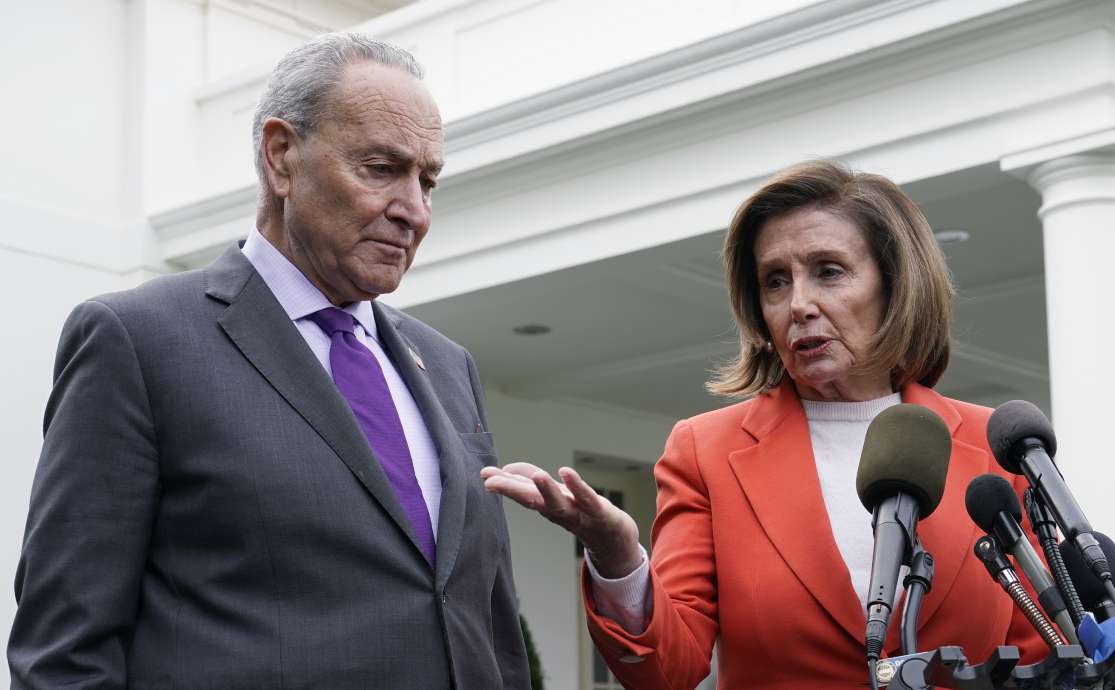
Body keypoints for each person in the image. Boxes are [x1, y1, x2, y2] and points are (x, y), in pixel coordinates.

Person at [10, 33, 529, 689]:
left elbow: (487, 626)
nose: (414, 212)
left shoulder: (448, 366)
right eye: (380, 169)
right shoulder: (139, 342)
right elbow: (63, 654)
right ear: (282, 156)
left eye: (427, 181)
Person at [482, 160, 1048, 688]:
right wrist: (618, 557)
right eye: (775, 281)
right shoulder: (705, 451)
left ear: (895, 285)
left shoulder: (993, 444)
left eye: (828, 272)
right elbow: (667, 667)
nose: (798, 303)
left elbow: (1039, 656)